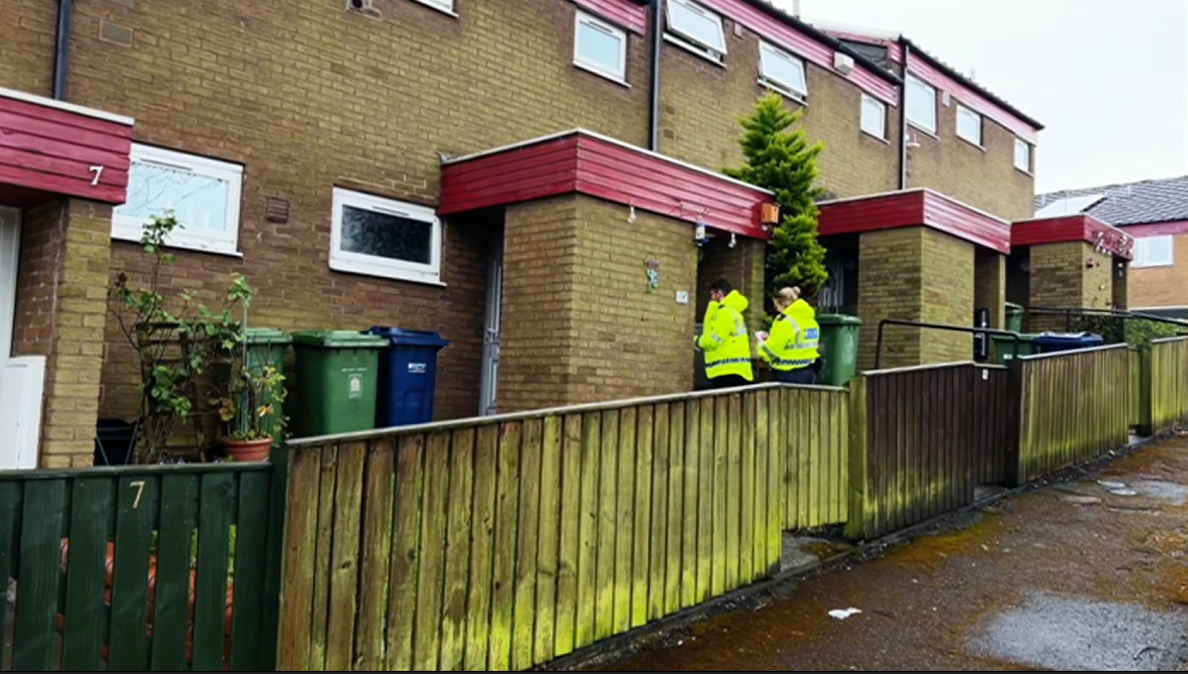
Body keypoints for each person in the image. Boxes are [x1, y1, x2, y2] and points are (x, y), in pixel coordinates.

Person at [756, 286, 821, 385]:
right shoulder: (810, 320)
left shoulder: (785, 322)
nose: (777, 309)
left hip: (788, 374)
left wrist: (761, 344)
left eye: (777, 305)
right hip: (809, 372)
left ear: (782, 303)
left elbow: (771, 352)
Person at [696, 279, 754, 389]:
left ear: (719, 293)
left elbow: (713, 341)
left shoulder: (723, 312)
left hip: (725, 371)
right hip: (738, 369)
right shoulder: (735, 312)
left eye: (712, 294)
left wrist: (697, 340)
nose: (711, 299)